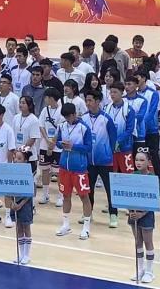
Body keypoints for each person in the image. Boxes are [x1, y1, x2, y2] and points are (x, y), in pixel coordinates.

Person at [55, 102, 94, 240]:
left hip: (79, 169)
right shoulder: (62, 126)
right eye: (65, 117)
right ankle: (66, 225)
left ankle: (86, 227)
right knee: (65, 195)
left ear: (74, 114)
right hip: (64, 167)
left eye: (68, 117)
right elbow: (58, 141)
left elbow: (88, 147)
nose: (67, 119)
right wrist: (61, 144)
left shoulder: (84, 128)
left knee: (84, 196)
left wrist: (74, 146)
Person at [83, 91, 117, 228]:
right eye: (86, 100)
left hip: (105, 161)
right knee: (88, 189)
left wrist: (109, 154)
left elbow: (113, 139)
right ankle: (88, 213)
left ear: (98, 102)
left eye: (90, 100)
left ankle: (113, 215)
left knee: (109, 188)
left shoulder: (106, 119)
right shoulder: (83, 118)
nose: (87, 103)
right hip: (89, 161)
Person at [129, 151, 157, 284]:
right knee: (138, 242)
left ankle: (149, 271)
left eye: (142, 160)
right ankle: (140, 269)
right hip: (133, 214)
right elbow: (127, 195)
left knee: (148, 242)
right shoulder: (132, 176)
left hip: (147, 215)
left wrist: (142, 213)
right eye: (136, 160)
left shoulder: (152, 178)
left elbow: (153, 199)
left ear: (148, 162)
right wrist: (130, 210)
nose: (138, 163)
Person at [9, 147, 35, 265]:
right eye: (15, 158)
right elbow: (7, 189)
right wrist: (11, 203)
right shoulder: (12, 174)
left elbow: (31, 192)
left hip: (25, 206)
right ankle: (21, 254)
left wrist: (21, 204)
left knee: (26, 228)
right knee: (19, 228)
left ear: (25, 161)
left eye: (19, 158)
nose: (16, 160)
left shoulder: (28, 174)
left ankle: (27, 255)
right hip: (14, 205)